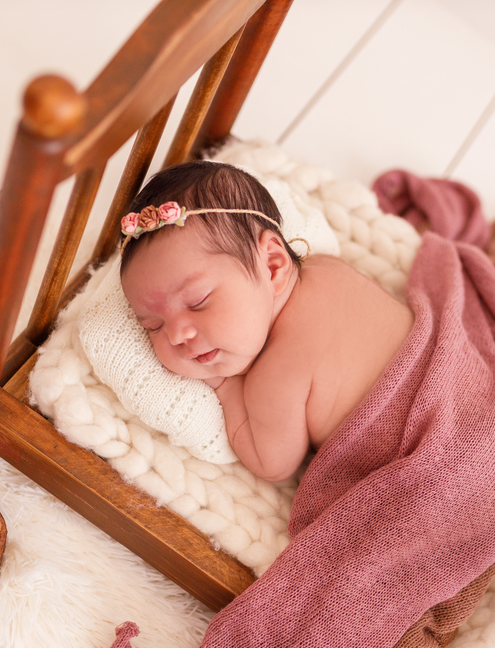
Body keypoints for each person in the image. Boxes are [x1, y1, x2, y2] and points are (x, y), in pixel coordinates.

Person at [119, 161, 413, 482]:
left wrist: (225, 385)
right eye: (153, 326)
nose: (177, 335)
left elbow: (272, 465)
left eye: (198, 302)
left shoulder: (272, 381)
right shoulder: (328, 266)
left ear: (273, 266)